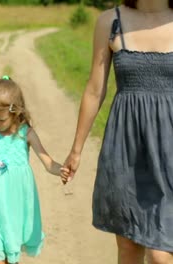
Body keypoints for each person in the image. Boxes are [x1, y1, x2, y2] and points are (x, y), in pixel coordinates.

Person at [62, 1, 173, 263]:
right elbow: (94, 89)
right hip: (127, 147)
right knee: (129, 248)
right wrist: (76, 150)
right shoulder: (110, 21)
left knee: (162, 255)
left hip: (169, 148)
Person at [0, 76, 69, 264]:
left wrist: (61, 169)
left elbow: (47, 161)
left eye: (1, 120)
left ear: (16, 112)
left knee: (12, 258)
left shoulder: (25, 134)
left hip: (14, 208)